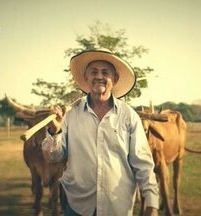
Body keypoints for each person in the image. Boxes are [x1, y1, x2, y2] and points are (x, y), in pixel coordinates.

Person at [44, 49, 159, 216]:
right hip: (77, 206)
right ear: (86, 78)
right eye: (94, 72)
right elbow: (52, 156)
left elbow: (143, 164)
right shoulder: (70, 115)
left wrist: (152, 204)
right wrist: (55, 130)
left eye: (105, 72)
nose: (99, 76)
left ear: (115, 79)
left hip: (117, 206)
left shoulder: (128, 116)